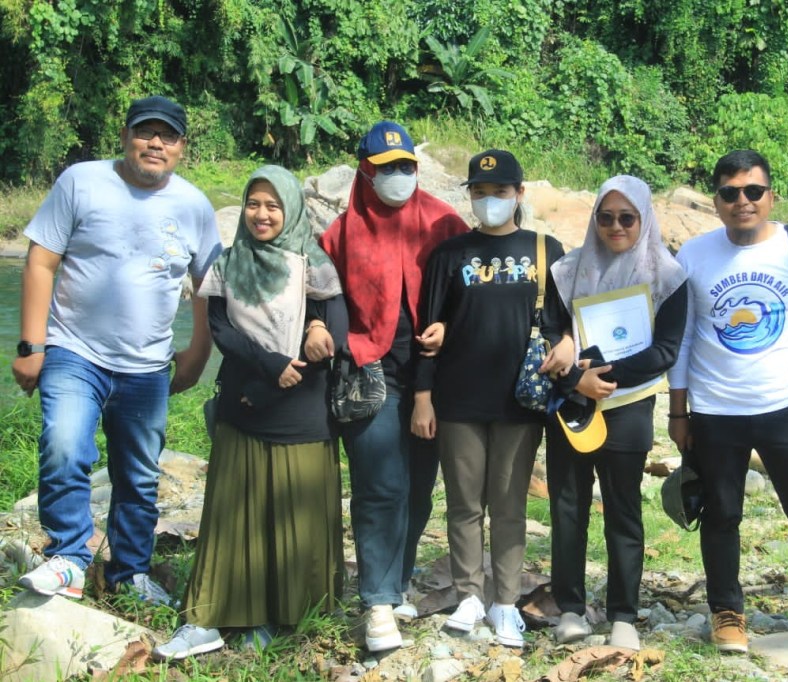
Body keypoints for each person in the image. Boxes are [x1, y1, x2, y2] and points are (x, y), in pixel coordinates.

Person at [13, 95, 221, 605]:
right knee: (64, 447)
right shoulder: (81, 181)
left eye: (167, 136)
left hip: (148, 365)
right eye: (145, 132)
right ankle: (68, 558)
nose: (155, 144)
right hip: (74, 351)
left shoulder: (194, 205)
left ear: (181, 147)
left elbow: (208, 286)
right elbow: (41, 261)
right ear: (126, 136)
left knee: (139, 473)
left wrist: (197, 353)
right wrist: (31, 345)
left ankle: (129, 572)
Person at [153, 165, 346, 660]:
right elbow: (223, 331)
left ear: (291, 210)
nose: (262, 214)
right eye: (253, 204)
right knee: (235, 516)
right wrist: (269, 369)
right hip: (243, 403)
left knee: (294, 514)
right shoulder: (229, 262)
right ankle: (219, 615)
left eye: (273, 205)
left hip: (299, 409)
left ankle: (288, 615)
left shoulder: (314, 263)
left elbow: (334, 336)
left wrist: (283, 374)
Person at [667, 149, 788, 653]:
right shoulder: (694, 255)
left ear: (771, 196)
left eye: (753, 191)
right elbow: (683, 338)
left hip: (786, 404)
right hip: (715, 409)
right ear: (716, 201)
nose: (742, 201)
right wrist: (678, 411)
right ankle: (726, 610)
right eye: (730, 193)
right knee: (721, 514)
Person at [318, 121, 469, 652]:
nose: (398, 175)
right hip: (368, 371)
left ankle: (397, 580)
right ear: (365, 171)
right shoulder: (341, 234)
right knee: (381, 485)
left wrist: (450, 326)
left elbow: (471, 294)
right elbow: (319, 300)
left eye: (406, 165)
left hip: (434, 377)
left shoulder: (444, 223)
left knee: (420, 486)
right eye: (386, 168)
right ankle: (378, 604)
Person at [414, 149, 573, 648]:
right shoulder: (450, 255)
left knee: (508, 505)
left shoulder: (546, 250)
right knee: (463, 504)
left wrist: (569, 342)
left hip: (519, 402)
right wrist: (423, 396)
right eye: (480, 192)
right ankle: (468, 595)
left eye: (500, 191)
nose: (490, 200)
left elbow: (565, 319)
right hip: (458, 400)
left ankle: (505, 601)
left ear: (519, 193)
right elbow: (427, 331)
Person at [546, 175, 687, 650]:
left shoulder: (668, 277)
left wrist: (603, 377)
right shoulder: (567, 271)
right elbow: (550, 332)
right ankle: (570, 608)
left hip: (629, 406)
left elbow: (666, 350)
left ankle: (623, 614)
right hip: (571, 403)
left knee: (623, 510)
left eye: (627, 218)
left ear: (644, 219)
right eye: (605, 217)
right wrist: (575, 380)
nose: (615, 227)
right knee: (568, 507)